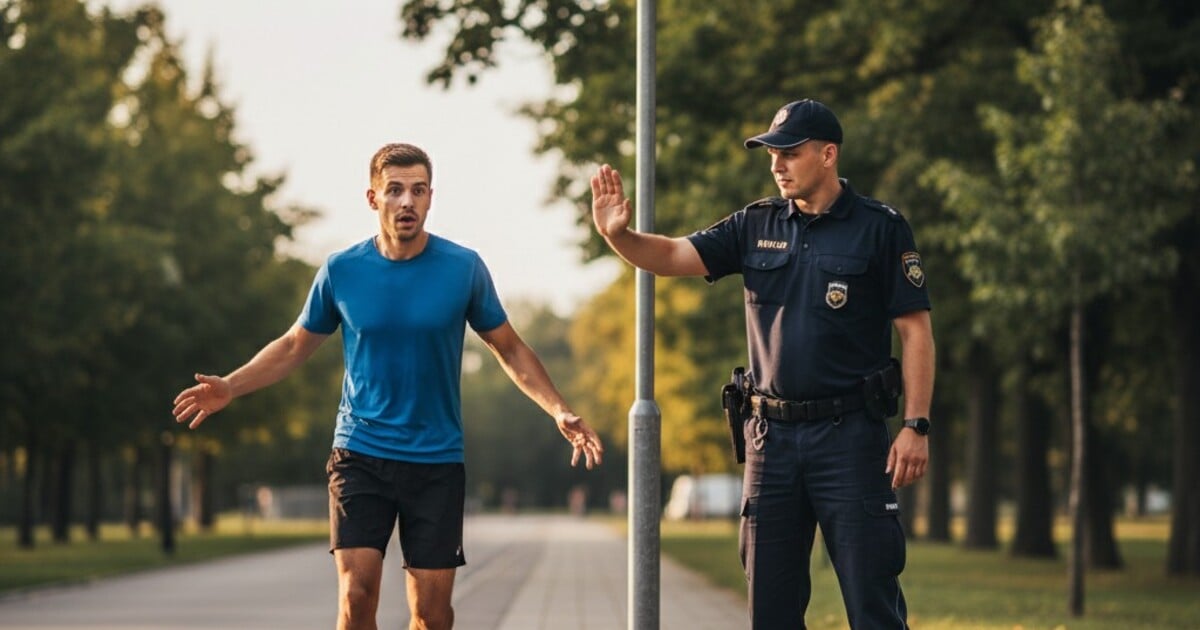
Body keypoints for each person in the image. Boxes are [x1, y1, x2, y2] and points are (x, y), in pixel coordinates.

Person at [172, 142, 604, 630]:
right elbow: (294, 345)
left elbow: (511, 348)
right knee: (356, 598)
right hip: (360, 453)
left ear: (430, 198)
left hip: (436, 459)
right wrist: (230, 386)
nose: (407, 202)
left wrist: (558, 409)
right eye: (395, 190)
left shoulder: (463, 268)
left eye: (418, 191)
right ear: (373, 198)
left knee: (432, 615)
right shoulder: (342, 271)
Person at [590, 99, 934, 629]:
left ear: (828, 154)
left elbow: (916, 334)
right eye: (771, 153)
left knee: (873, 605)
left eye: (789, 153)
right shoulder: (753, 225)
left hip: (851, 440)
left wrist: (915, 425)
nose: (776, 164)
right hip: (770, 442)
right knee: (769, 611)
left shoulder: (880, 228)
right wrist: (619, 237)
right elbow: (673, 256)